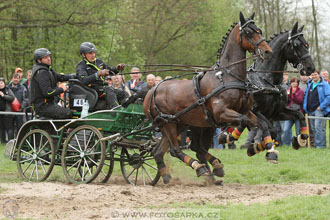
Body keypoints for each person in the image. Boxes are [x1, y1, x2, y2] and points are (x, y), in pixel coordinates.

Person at [76, 42, 125, 109]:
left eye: (93, 52)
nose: (93, 55)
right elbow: (84, 80)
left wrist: (117, 69)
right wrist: (98, 74)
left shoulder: (99, 61)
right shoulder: (81, 66)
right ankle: (117, 111)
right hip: (93, 90)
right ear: (83, 55)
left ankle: (128, 112)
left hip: (104, 88)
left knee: (122, 93)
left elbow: (109, 70)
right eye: (90, 53)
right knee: (109, 89)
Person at [30, 48, 73, 119]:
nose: (49, 59)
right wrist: (61, 89)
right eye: (45, 57)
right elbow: (47, 92)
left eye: (49, 56)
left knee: (68, 111)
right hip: (42, 106)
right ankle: (64, 130)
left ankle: (59, 129)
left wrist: (74, 76)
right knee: (68, 113)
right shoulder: (41, 72)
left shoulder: (48, 70)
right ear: (39, 60)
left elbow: (61, 77)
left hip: (49, 104)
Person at [303, 70, 330, 148]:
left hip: (319, 110)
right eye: (312, 75)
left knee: (318, 128)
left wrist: (321, 106)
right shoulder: (309, 84)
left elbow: (328, 97)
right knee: (313, 128)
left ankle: (320, 145)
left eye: (315, 75)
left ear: (319, 75)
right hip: (310, 110)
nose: (314, 76)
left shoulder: (324, 85)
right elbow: (306, 96)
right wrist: (305, 107)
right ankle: (315, 144)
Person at [282, 77, 305, 146]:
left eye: (295, 82)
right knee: (286, 129)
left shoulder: (300, 91)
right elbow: (286, 101)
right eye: (292, 82)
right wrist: (288, 95)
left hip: (298, 113)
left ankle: (298, 145)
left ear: (298, 83)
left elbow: (299, 101)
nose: (294, 84)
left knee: (298, 131)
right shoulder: (288, 90)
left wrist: (294, 94)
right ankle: (286, 144)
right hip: (289, 113)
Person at [0, 78, 15, 143]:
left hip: (7, 112)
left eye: (1, 83)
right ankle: (2, 141)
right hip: (0, 113)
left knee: (9, 128)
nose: (0, 84)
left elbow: (12, 98)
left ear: (4, 83)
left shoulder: (8, 90)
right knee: (1, 128)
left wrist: (3, 96)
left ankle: (10, 141)